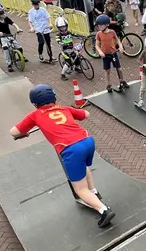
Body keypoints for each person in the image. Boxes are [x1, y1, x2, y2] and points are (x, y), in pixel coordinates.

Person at [10, 84, 115, 228]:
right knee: (83, 167)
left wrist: (25, 133)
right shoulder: (63, 108)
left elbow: (13, 132)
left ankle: (103, 210)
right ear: (53, 97)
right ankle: (94, 193)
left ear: (35, 103)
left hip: (71, 149)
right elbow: (86, 114)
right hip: (87, 141)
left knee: (80, 189)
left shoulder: (35, 115)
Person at [95, 14, 128, 93]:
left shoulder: (112, 32)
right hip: (105, 55)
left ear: (107, 25)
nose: (99, 26)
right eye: (98, 25)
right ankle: (108, 84)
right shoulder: (99, 34)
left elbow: (117, 40)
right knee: (107, 71)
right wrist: (100, 51)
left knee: (119, 69)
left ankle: (122, 81)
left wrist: (121, 47)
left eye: (101, 25)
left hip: (113, 54)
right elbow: (96, 45)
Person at [0, 7, 27, 72]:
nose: (4, 15)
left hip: (9, 35)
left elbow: (13, 23)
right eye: (2, 14)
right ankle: (9, 64)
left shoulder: (6, 18)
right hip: (2, 37)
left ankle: (21, 57)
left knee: (19, 47)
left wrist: (18, 28)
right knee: (6, 49)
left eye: (3, 13)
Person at [27, 0, 54, 64]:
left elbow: (48, 17)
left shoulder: (43, 10)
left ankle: (50, 55)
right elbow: (30, 21)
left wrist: (50, 23)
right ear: (33, 4)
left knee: (48, 43)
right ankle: (40, 54)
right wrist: (32, 28)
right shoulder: (31, 12)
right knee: (41, 42)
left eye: (37, 4)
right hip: (38, 29)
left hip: (45, 28)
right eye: (35, 4)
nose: (37, 6)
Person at [54, 16, 82, 81]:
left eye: (64, 27)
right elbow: (58, 41)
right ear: (58, 28)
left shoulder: (69, 33)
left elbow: (75, 35)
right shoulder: (58, 35)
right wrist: (62, 43)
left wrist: (81, 37)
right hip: (65, 51)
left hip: (71, 50)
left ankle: (76, 68)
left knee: (77, 59)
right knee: (68, 63)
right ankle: (62, 74)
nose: (63, 29)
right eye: (61, 28)